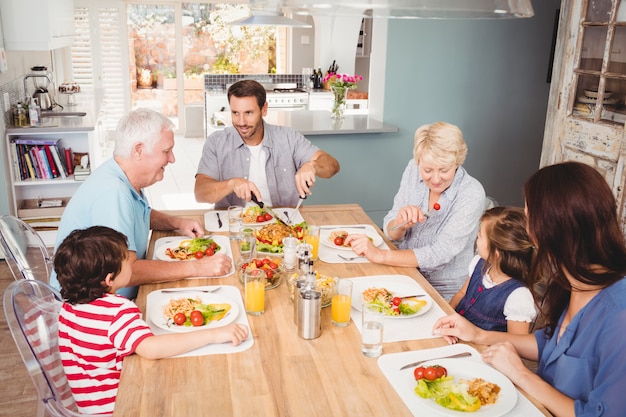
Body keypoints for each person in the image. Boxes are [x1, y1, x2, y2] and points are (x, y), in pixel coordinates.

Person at [433, 162, 626, 417]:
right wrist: (478, 334)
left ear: (550, 228)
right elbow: (551, 345)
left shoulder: (618, 317)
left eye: (529, 216)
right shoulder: (574, 282)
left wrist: (521, 374)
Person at [56, 226, 249, 415]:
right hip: (120, 406)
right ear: (109, 279)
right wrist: (213, 334)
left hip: (87, 408)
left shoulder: (67, 307)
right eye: (126, 260)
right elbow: (151, 348)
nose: (132, 262)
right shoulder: (117, 312)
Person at [51, 108, 232, 300]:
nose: (172, 158)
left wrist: (177, 223)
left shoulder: (123, 176)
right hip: (92, 311)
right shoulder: (113, 194)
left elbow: (140, 213)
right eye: (166, 151)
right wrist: (197, 267)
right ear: (139, 150)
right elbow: (128, 271)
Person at [345, 121, 485, 299]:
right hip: (405, 273)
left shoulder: (471, 192)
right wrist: (400, 224)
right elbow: (391, 230)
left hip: (444, 291)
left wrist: (380, 255)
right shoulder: (413, 168)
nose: (435, 179)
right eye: (427, 170)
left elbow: (438, 254)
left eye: (444, 170)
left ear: (457, 162)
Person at [194, 79, 340, 208]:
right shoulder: (216, 142)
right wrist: (231, 184)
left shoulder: (288, 137)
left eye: (249, 113)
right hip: (232, 226)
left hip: (282, 226)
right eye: (235, 113)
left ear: (264, 109)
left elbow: (333, 166)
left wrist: (312, 165)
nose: (241, 122)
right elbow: (200, 193)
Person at [449, 206, 536, 334]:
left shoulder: (518, 296)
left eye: (480, 236)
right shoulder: (478, 263)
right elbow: (462, 294)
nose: (476, 238)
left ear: (496, 253)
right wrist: (447, 312)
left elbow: (517, 343)